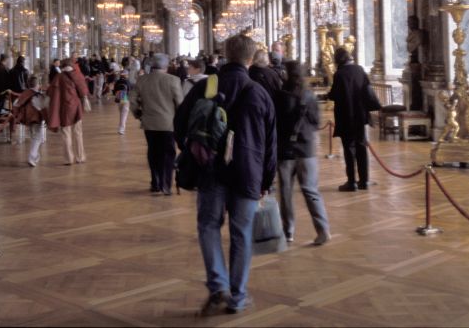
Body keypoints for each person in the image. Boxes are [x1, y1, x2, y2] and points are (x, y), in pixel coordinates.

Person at [175, 34, 277, 316]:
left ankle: (218, 285)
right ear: (251, 58)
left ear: (225, 54)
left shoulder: (206, 86)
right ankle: (238, 296)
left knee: (208, 226)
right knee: (241, 233)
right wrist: (267, 181)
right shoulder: (259, 93)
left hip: (210, 170)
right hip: (248, 172)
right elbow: (271, 144)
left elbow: (179, 124)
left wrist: (194, 151)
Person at [274, 60, 330, 245]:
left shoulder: (280, 96)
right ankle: (322, 229)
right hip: (306, 149)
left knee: (286, 192)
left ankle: (288, 230)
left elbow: (275, 123)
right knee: (311, 191)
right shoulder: (309, 95)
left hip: (285, 149)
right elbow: (315, 122)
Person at [327, 46, 381, 191]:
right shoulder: (360, 70)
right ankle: (364, 181)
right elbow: (367, 90)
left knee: (349, 149)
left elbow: (334, 95)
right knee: (361, 147)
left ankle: (351, 182)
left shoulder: (339, 74)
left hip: (346, 117)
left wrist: (329, 94)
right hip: (360, 116)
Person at [133, 54, 184, 195]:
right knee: (168, 154)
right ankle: (166, 185)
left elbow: (132, 101)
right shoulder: (173, 80)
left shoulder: (142, 80)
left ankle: (155, 183)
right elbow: (180, 103)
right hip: (168, 124)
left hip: (149, 123)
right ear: (166, 66)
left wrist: (138, 114)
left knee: (153, 152)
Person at [47, 58, 88, 164]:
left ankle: (68, 158)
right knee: (78, 133)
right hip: (76, 106)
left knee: (66, 133)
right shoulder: (77, 75)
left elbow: (51, 91)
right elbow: (83, 91)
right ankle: (80, 157)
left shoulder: (59, 77)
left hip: (64, 107)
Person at [9, 75, 48, 167]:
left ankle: (36, 156)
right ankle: (32, 157)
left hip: (27, 119)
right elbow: (41, 107)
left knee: (34, 137)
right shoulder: (37, 95)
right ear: (37, 84)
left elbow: (16, 104)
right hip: (36, 119)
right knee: (37, 138)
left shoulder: (24, 93)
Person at [114, 70, 132, 134]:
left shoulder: (117, 82)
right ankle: (121, 129)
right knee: (124, 114)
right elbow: (130, 91)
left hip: (118, 97)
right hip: (125, 98)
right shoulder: (127, 82)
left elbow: (114, 91)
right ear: (126, 75)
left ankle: (121, 128)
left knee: (121, 113)